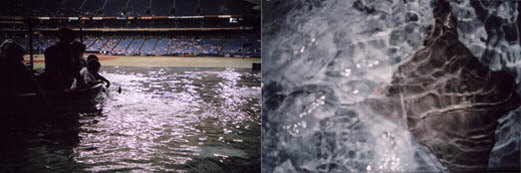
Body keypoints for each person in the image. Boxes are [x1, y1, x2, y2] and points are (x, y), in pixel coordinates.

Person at [44, 27, 86, 92]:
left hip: (64, 82)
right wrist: (64, 87)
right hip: (56, 84)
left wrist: (82, 84)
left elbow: (75, 70)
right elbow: (54, 70)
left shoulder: (50, 50)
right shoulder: (71, 50)